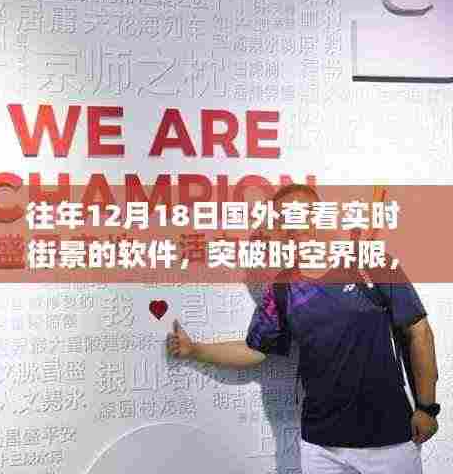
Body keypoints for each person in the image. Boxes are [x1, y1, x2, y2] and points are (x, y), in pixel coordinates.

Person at [166, 183, 439, 474]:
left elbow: (419, 332)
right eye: (284, 219)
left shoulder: (367, 261)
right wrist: (195, 349)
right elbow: (255, 349)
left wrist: (427, 408)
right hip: (321, 447)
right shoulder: (282, 289)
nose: (294, 225)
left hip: (389, 440)